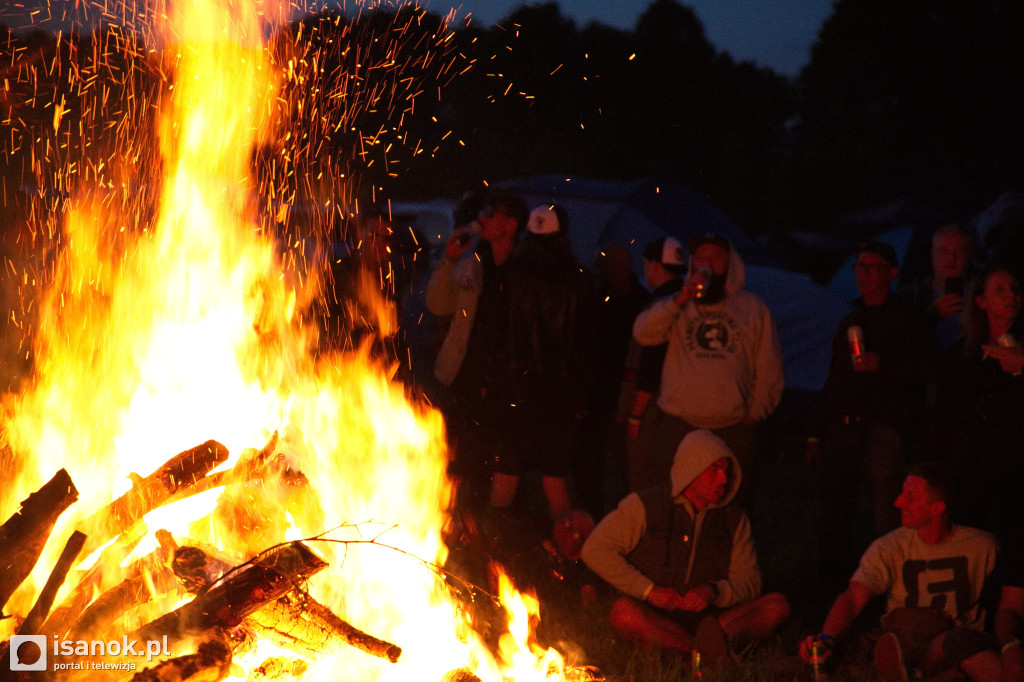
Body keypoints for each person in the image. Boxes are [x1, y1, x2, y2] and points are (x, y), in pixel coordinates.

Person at [581, 430, 790, 661]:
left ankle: (697, 651)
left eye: (726, 471)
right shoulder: (644, 506)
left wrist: (715, 591)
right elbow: (595, 549)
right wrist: (649, 591)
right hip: (657, 616)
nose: (723, 479)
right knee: (622, 613)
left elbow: (750, 579)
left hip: (715, 620)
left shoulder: (734, 518)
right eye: (715, 470)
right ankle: (709, 653)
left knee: (777, 605)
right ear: (692, 470)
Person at [807, 241, 939, 589]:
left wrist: (885, 364)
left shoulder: (907, 318)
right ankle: (832, 587)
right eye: (859, 268)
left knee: (886, 513)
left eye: (872, 267)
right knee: (836, 511)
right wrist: (817, 431)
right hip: (844, 428)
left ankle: (894, 586)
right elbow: (834, 378)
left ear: (891, 273)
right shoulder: (851, 318)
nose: (864, 275)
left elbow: (930, 368)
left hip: (883, 427)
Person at [798, 463, 1001, 682]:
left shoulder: (983, 547)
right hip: (906, 639)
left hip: (960, 641)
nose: (898, 502)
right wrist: (827, 638)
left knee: (959, 645)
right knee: (864, 649)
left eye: (909, 496)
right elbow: (854, 597)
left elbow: (1010, 600)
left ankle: (913, 673)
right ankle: (918, 671)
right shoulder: (890, 547)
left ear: (937, 508)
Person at [631, 234, 784, 508]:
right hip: (679, 424)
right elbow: (643, 333)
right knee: (672, 500)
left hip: (731, 427)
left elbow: (769, 367)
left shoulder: (752, 309)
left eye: (715, 258)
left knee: (730, 504)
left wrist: (754, 412)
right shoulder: (678, 304)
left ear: (731, 265)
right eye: (701, 258)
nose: (707, 264)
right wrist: (680, 299)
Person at [489, 203, 595, 525]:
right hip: (558, 395)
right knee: (554, 478)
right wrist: (581, 396)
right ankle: (567, 553)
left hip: (516, 391)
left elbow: (496, 334)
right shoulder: (577, 278)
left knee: (506, 473)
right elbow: (585, 344)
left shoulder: (510, 273)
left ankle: (489, 549)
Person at [425, 191, 528, 512]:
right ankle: (448, 523)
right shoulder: (472, 263)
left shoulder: (522, 270)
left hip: (503, 385)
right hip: (461, 376)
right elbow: (438, 305)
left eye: (490, 213)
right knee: (453, 455)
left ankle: (486, 528)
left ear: (510, 224)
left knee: (492, 459)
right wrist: (450, 260)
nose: (481, 219)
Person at [932, 264, 1024, 533]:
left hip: (1014, 466)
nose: (1010, 296)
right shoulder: (963, 351)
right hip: (969, 467)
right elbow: (945, 410)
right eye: (999, 290)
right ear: (981, 301)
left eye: (1014, 290)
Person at [621, 236, 685, 491]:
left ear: (654, 266)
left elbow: (651, 361)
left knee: (645, 476)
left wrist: (635, 414)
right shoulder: (685, 300)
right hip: (674, 406)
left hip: (653, 409)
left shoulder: (661, 308)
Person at [899, 223, 975, 349]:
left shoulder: (984, 295)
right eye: (944, 251)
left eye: (960, 250)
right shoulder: (911, 295)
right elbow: (899, 340)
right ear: (932, 254)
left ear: (970, 254)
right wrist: (932, 315)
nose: (951, 257)